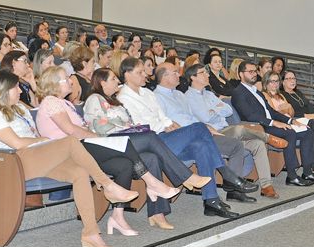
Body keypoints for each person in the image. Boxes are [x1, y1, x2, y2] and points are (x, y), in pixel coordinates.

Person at [0, 71, 138, 247]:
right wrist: (41, 141)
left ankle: (90, 234)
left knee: (80, 172)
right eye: (16, 87)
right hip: (13, 162)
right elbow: (17, 143)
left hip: (36, 157)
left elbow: (34, 136)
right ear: (4, 90)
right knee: (71, 141)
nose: (20, 91)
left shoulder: (20, 109)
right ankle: (108, 186)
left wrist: (42, 141)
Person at [35, 66, 179, 235]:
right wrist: (96, 137)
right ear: (54, 83)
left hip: (81, 148)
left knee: (124, 164)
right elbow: (70, 129)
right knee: (126, 143)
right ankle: (153, 183)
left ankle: (118, 216)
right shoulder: (51, 102)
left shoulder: (64, 103)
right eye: (66, 79)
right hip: (67, 153)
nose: (70, 81)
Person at [117, 57, 244, 218]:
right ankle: (226, 173)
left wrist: (169, 123)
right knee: (199, 127)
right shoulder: (123, 97)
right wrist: (164, 125)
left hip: (166, 137)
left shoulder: (147, 93)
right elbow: (140, 125)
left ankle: (211, 200)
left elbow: (161, 116)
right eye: (140, 72)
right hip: (151, 142)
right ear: (127, 74)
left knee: (201, 147)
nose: (145, 75)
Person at [84, 68, 208, 229]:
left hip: (124, 140)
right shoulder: (94, 99)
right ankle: (185, 177)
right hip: (107, 144)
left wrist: (133, 128)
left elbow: (128, 122)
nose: (117, 81)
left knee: (151, 158)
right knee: (150, 137)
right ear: (102, 82)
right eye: (113, 79)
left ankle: (157, 213)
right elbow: (100, 127)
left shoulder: (115, 101)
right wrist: (126, 128)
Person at [154, 62, 260, 202]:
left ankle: (214, 199)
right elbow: (166, 124)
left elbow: (195, 118)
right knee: (203, 133)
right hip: (179, 140)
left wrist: (207, 128)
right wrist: (203, 127)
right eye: (174, 72)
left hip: (199, 134)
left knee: (234, 145)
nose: (179, 74)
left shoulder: (180, 95)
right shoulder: (156, 97)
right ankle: (230, 179)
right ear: (164, 76)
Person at [183, 63, 282, 199]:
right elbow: (205, 117)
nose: (207, 75)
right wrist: (217, 108)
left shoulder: (209, 94)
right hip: (213, 134)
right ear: (193, 77)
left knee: (257, 145)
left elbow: (228, 111)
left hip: (226, 130)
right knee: (239, 130)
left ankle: (266, 186)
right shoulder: (188, 97)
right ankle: (267, 137)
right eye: (203, 73)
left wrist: (214, 109)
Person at [231, 61, 314, 186]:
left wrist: (290, 120)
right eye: (250, 72)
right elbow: (250, 115)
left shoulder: (256, 91)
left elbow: (270, 110)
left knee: (307, 131)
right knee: (289, 133)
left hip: (269, 123)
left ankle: (307, 171)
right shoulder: (238, 92)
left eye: (255, 71)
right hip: (258, 127)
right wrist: (274, 123)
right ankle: (292, 176)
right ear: (240, 75)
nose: (254, 74)